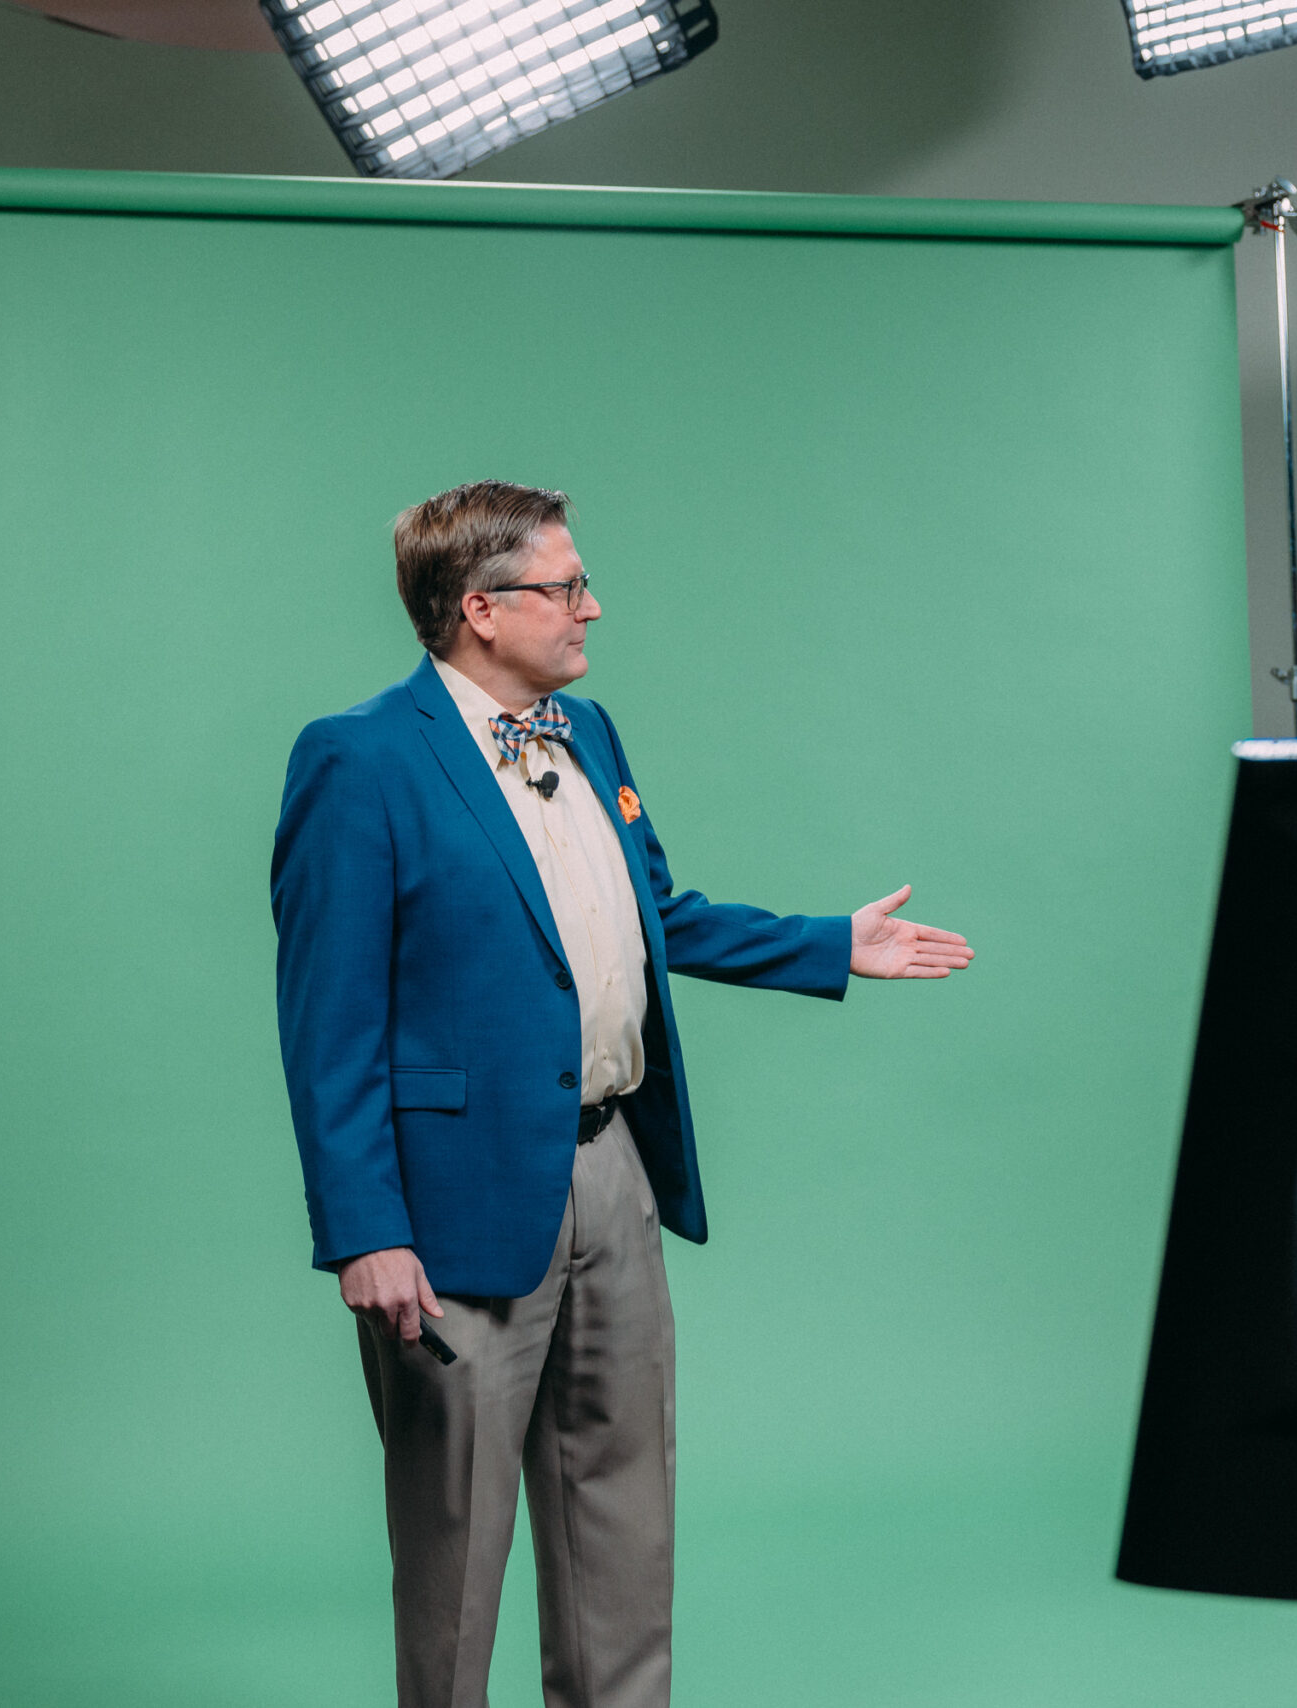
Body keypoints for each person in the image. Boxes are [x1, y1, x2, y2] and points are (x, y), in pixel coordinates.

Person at [271, 480, 973, 1708]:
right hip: (454, 1206)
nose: (591, 606)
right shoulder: (360, 757)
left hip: (613, 1173)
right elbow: (327, 1019)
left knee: (623, 1528)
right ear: (480, 608)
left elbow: (658, 913)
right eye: (566, 586)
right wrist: (366, 1230)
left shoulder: (588, 734)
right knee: (454, 1551)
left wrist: (827, 943)